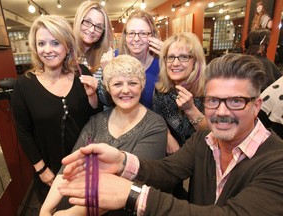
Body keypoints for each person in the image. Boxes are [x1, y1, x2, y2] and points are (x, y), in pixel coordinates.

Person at [58, 53, 283, 216]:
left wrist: (133, 195)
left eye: (236, 101)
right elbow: (168, 170)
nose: (221, 112)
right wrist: (122, 162)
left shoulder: (277, 162)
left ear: (256, 105)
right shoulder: (204, 140)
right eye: (213, 100)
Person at [40, 55, 167, 215]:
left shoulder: (155, 126)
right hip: (79, 197)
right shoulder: (96, 121)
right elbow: (69, 167)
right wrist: (46, 209)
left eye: (133, 83)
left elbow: (128, 186)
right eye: (117, 84)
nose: (126, 90)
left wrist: (69, 214)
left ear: (142, 85)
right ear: (107, 87)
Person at [10, 15, 102, 203]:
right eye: (41, 43)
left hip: (86, 169)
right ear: (35, 47)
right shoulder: (24, 85)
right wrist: (42, 169)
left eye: (55, 42)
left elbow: (97, 119)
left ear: (67, 46)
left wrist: (93, 95)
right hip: (50, 173)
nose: (48, 50)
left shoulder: (81, 73)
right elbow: (23, 133)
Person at [153, 32, 207, 154]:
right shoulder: (161, 89)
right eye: (171, 57)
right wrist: (167, 136)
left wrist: (191, 110)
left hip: (204, 155)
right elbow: (158, 120)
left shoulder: (209, 89)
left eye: (183, 57)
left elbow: (212, 133)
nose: (175, 63)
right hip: (172, 157)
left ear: (195, 62)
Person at [100, 9, 163, 109]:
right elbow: (105, 102)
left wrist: (170, 57)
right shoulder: (112, 59)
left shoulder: (161, 62)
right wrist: (106, 75)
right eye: (131, 33)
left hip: (153, 122)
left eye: (143, 33)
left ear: (152, 35)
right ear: (125, 36)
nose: (136, 39)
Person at [73, 1, 113, 80]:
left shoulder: (106, 57)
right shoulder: (65, 51)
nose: (92, 30)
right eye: (87, 22)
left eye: (98, 27)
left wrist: (108, 71)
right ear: (79, 21)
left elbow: (109, 91)